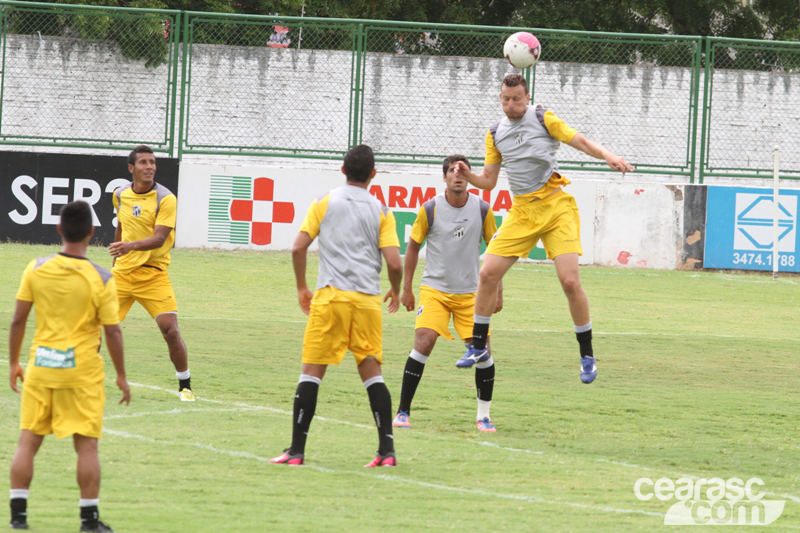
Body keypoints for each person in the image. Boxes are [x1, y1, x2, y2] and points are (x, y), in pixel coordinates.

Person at [454, 73, 634, 383]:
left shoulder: (543, 117)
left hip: (555, 208)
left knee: (569, 281)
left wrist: (608, 155)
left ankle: (587, 355)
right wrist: (469, 177)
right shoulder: (495, 133)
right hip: (522, 211)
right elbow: (489, 180)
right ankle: (479, 346)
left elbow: (579, 141)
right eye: (505, 99)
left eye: (516, 99)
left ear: (527, 98)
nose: (511, 105)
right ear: (501, 98)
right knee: (487, 272)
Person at [270, 144, 403, 468]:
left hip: (330, 298)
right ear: (374, 174)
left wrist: (302, 287)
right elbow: (395, 264)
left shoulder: (324, 202)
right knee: (373, 374)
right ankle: (387, 451)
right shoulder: (382, 211)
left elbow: (298, 248)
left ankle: (296, 451)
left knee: (312, 373)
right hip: (367, 302)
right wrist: (396, 290)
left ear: (343, 170)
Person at [8, 201, 131, 533]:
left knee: (27, 442)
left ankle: (18, 517)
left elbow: (18, 319)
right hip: (82, 374)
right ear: (92, 232)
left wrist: (14, 363)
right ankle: (89, 520)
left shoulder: (35, 268)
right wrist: (120, 376)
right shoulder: (102, 278)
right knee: (86, 445)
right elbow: (113, 331)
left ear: (59, 229)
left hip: (41, 367)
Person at [392, 155, 502, 432]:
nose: (457, 174)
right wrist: (407, 288)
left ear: (469, 177)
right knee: (424, 341)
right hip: (435, 290)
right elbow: (414, 247)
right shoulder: (429, 209)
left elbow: (499, 250)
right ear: (444, 178)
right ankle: (403, 412)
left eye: (463, 170)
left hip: (471, 296)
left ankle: (484, 416)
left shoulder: (483, 210)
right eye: (452, 170)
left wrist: (498, 289)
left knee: (484, 353)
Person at [109, 145, 194, 401]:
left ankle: (185, 386)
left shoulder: (165, 198)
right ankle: (82, 381)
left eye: (152, 162)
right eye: (144, 162)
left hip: (154, 274)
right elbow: (122, 227)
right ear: (131, 168)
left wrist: (129, 246)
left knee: (170, 329)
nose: (150, 167)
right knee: (97, 326)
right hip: (122, 275)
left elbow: (159, 239)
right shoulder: (120, 194)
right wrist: (117, 260)